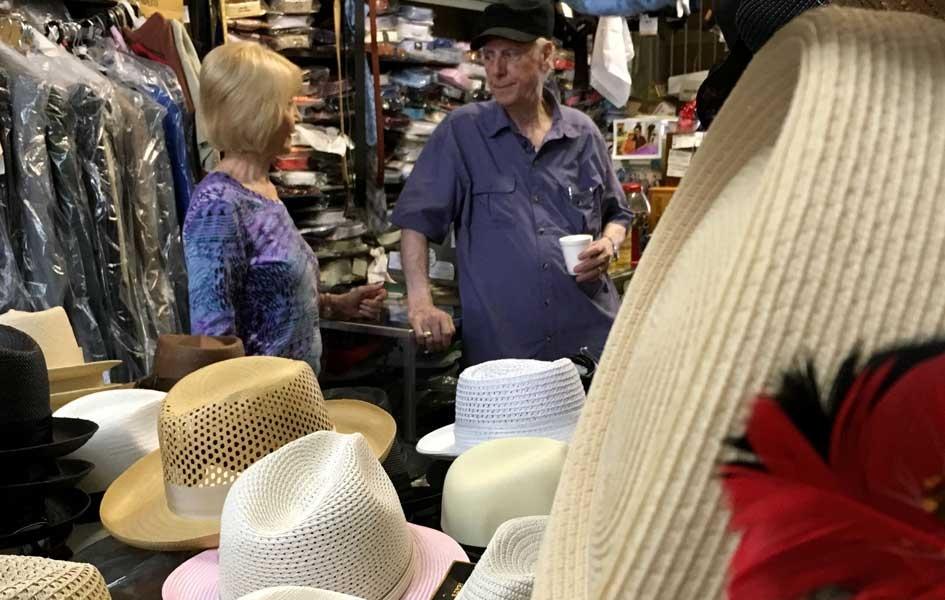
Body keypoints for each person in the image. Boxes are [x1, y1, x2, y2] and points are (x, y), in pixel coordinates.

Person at [391, 0, 631, 365]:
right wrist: (421, 303)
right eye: (488, 56)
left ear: (547, 55)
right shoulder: (462, 133)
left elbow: (619, 214)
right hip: (505, 357)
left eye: (512, 55)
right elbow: (415, 223)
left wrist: (609, 244)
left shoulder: (583, 133)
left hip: (591, 343)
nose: (497, 71)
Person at [184, 42, 386, 374]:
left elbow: (271, 300)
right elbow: (213, 339)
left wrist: (337, 304)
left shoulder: (263, 191)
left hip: (293, 397)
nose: (295, 117)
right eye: (288, 104)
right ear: (257, 110)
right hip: (259, 411)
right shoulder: (219, 206)